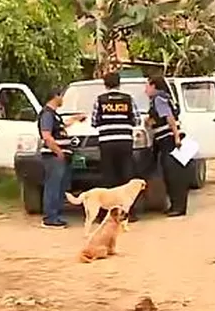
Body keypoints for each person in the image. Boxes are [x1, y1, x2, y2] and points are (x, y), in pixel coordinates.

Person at [92, 71, 143, 219]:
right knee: (126, 176)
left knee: (109, 177)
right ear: (119, 83)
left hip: (107, 142)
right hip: (125, 141)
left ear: (105, 84)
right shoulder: (128, 99)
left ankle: (108, 213)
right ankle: (129, 213)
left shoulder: (100, 100)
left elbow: (94, 121)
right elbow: (137, 120)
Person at [38, 88, 86, 228]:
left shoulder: (54, 115)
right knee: (53, 186)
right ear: (55, 96)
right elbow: (47, 136)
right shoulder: (47, 114)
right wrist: (58, 151)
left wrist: (76, 118)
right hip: (53, 156)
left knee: (60, 186)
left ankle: (56, 216)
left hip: (59, 155)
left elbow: (61, 125)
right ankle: (50, 218)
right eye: (61, 96)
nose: (63, 99)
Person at [145, 76, 190, 217]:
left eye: (147, 86)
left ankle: (178, 207)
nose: (145, 90)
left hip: (169, 140)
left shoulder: (159, 99)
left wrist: (176, 137)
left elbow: (169, 118)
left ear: (154, 86)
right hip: (167, 140)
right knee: (174, 173)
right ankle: (176, 206)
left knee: (173, 175)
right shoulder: (164, 98)